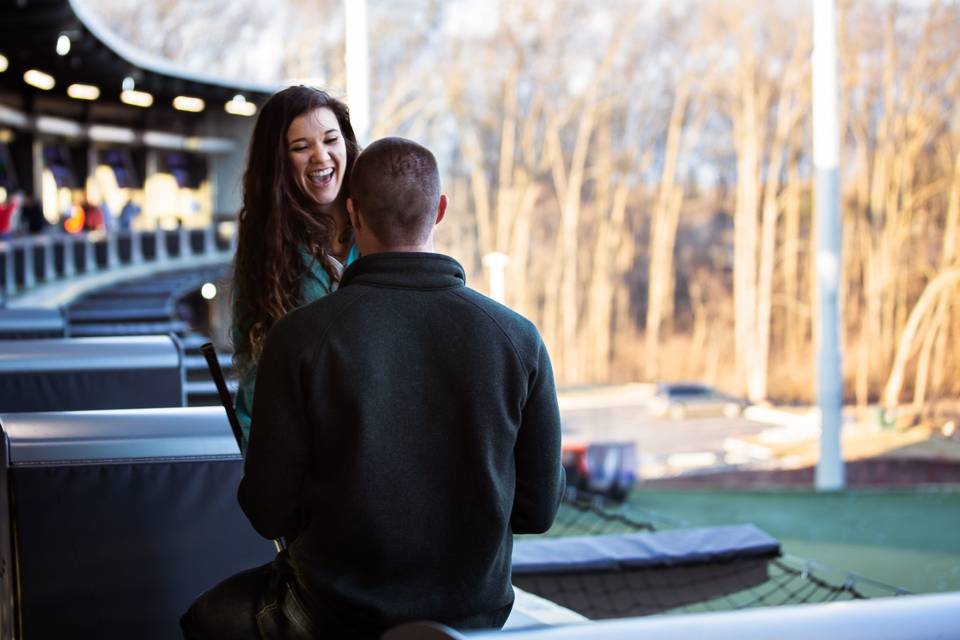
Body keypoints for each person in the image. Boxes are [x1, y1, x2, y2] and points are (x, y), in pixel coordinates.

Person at [181, 137, 565, 639]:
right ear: (440, 210)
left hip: (330, 618)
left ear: (352, 212)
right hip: (474, 622)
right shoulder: (517, 339)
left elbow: (267, 510)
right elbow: (538, 511)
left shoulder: (298, 340)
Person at [231, 85, 361, 451]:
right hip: (312, 454)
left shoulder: (380, 221)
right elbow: (257, 372)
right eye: (301, 147)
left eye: (330, 140)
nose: (321, 157)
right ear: (279, 160)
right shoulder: (265, 247)